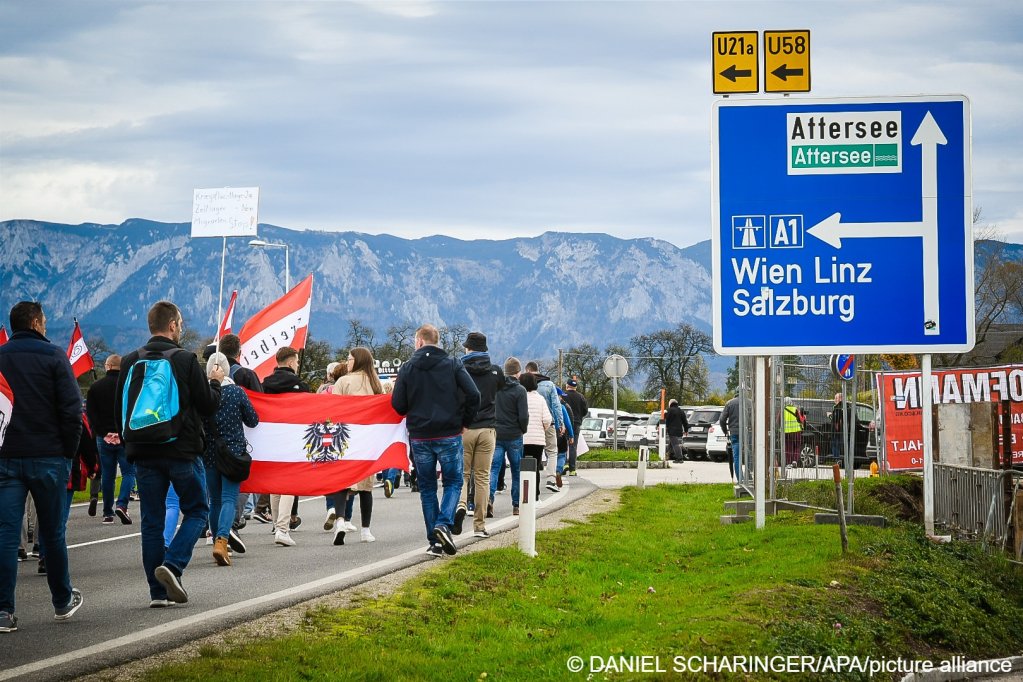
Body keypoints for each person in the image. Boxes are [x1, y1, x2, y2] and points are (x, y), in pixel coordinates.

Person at [116, 301, 223, 607]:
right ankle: (173, 565)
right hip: (181, 450)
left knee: (152, 521)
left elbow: (120, 408)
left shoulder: (130, 360)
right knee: (198, 510)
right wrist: (215, 383)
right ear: (173, 325)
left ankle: (157, 593)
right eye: (181, 323)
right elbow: (207, 405)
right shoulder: (185, 359)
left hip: (143, 451)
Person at [0, 302, 85, 631]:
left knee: (7, 534)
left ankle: (4, 610)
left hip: (7, 455)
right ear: (36, 323)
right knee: (52, 533)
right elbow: (72, 410)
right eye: (45, 321)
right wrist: (67, 453)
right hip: (49, 455)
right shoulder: (54, 357)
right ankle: (62, 600)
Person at [391, 324, 480, 557]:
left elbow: (398, 405)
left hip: (420, 435)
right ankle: (443, 523)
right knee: (453, 482)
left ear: (420, 341)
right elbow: (474, 394)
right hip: (449, 432)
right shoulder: (453, 364)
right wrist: (465, 421)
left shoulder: (408, 367)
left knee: (428, 488)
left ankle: (435, 542)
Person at [329, 347, 390, 545]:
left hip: (345, 437)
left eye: (349, 359)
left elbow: (333, 409)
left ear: (358, 360)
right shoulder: (375, 383)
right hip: (367, 439)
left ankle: (340, 521)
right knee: (366, 487)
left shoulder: (343, 382)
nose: (347, 362)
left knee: (342, 482)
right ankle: (365, 530)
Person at [203, 353, 259, 566]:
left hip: (209, 453)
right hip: (233, 453)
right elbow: (253, 420)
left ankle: (217, 541)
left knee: (214, 501)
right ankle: (222, 540)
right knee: (229, 498)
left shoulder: (203, 394)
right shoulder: (236, 392)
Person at [453, 332, 502, 539]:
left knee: (462, 474)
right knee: (482, 476)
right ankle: (479, 525)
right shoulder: (496, 371)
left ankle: (461, 504)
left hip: (464, 429)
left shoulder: (458, 369)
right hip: (488, 429)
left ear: (468, 348)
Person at [262, 346, 311, 547]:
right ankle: (283, 528)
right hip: (292, 438)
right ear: (291, 362)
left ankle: (276, 524)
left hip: (271, 437)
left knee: (275, 484)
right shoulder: (300, 385)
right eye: (297, 361)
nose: (298, 364)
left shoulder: (265, 384)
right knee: (289, 483)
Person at [86, 353, 136, 525]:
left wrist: (103, 433)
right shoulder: (128, 387)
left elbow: (91, 415)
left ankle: (107, 513)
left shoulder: (95, 387)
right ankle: (122, 504)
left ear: (107, 366)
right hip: (124, 436)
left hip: (103, 437)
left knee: (108, 475)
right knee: (129, 472)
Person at [491, 357, 528, 517]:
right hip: (514, 435)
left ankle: (489, 499)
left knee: (493, 469)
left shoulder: (496, 388)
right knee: (516, 471)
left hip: (497, 434)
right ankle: (516, 505)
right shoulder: (520, 390)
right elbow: (523, 416)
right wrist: (522, 429)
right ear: (518, 372)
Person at [519, 373, 553, 505]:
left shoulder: (519, 397)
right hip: (538, 440)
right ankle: (535, 497)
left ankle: (522, 497)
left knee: (521, 469)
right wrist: (542, 428)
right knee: (535, 468)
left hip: (522, 438)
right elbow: (547, 419)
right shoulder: (540, 399)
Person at [562, 380, 587, 476]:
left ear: (567, 386)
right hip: (576, 423)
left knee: (563, 444)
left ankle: (563, 465)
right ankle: (572, 470)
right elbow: (585, 411)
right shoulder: (581, 397)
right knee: (573, 446)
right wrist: (579, 416)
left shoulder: (563, 396)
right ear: (575, 387)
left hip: (564, 423)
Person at [719, 396, 741, 482]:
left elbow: (722, 420)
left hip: (735, 432)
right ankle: (750, 478)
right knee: (750, 457)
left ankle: (741, 480)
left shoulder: (729, 403)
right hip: (748, 432)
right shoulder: (750, 403)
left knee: (737, 457)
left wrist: (725, 431)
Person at [782, 397, 804, 467]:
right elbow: (801, 420)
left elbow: (778, 421)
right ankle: (794, 461)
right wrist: (804, 417)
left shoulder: (782, 410)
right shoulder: (795, 409)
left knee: (788, 447)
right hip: (796, 431)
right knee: (797, 446)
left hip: (787, 432)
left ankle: (788, 463)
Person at [830, 393, 844, 462]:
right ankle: (836, 459)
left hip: (836, 431)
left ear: (840, 399)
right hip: (837, 431)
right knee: (836, 445)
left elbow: (837, 420)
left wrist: (836, 429)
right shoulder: (840, 407)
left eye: (836, 398)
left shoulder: (838, 408)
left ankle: (836, 459)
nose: (834, 400)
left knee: (835, 445)